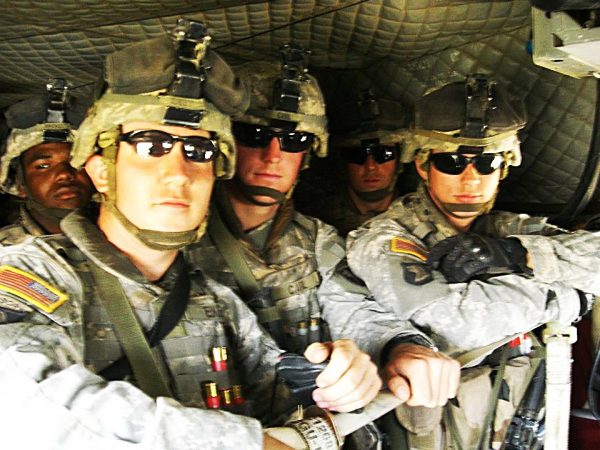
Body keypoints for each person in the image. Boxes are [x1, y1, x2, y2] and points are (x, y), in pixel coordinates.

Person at [0, 22, 385, 450]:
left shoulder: (217, 302)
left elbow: (282, 396)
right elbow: (20, 398)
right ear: (101, 171)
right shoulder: (31, 274)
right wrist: (246, 444)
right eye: (151, 146)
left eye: (199, 152)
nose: (179, 174)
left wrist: (335, 380)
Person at [186, 46, 460, 449]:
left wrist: (401, 346)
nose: (274, 156)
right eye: (254, 135)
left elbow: (356, 308)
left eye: (293, 140)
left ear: (308, 154)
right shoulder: (178, 239)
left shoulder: (318, 238)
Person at [345, 74, 600, 448]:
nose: (470, 179)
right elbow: (455, 323)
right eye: (451, 162)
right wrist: (573, 296)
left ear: (503, 168)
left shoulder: (504, 230)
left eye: (487, 162)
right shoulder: (385, 237)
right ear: (422, 166)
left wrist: (519, 254)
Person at [299, 90, 407, 236]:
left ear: (399, 160)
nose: (370, 166)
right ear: (342, 163)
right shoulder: (314, 224)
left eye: (383, 154)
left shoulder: (417, 218)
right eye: (357, 155)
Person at [0, 79, 94, 245]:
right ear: (20, 184)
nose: (64, 174)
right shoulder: (7, 253)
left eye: (77, 162)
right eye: (43, 166)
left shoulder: (126, 235)